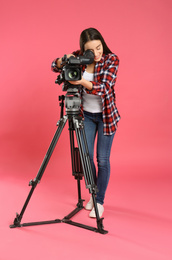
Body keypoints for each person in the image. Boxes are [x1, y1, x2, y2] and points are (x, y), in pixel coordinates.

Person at [51, 27, 120, 218]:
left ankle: (99, 201)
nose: (96, 53)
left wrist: (81, 82)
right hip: (86, 115)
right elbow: (53, 66)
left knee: (102, 160)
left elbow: (104, 88)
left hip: (106, 116)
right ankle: (93, 193)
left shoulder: (111, 59)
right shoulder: (80, 58)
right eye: (91, 50)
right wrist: (61, 60)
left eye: (99, 47)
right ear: (84, 49)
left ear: (102, 44)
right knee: (86, 156)